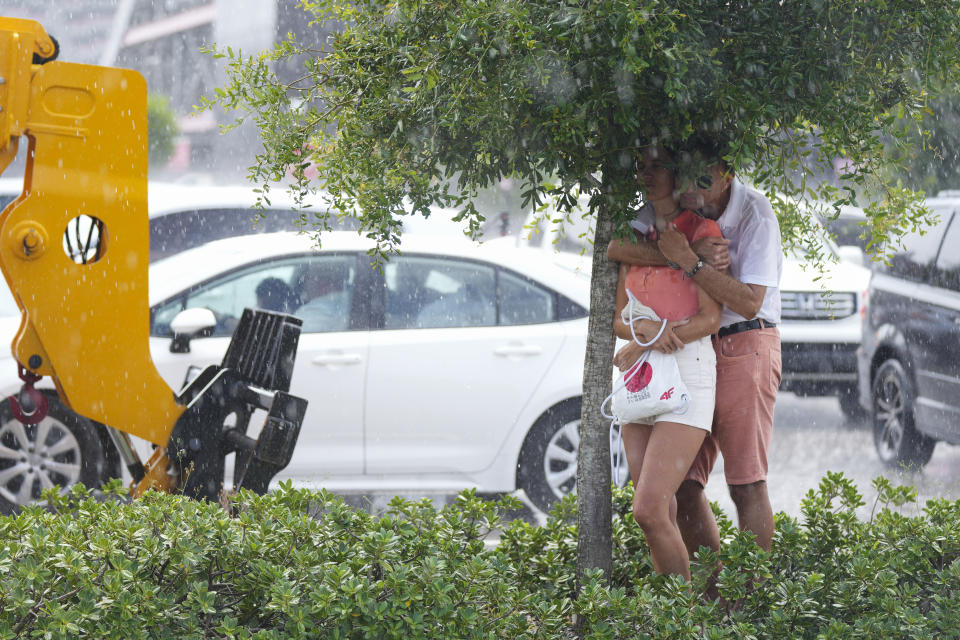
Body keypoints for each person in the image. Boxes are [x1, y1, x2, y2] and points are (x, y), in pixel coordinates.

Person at [608, 139, 783, 558]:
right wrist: (677, 257)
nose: (692, 187)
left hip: (745, 340)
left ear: (728, 174)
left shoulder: (756, 214)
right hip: (690, 350)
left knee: (746, 481)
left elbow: (747, 301)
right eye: (686, 174)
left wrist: (693, 263)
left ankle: (752, 603)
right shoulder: (672, 214)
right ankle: (711, 598)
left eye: (703, 177)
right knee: (684, 485)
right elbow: (618, 248)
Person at [612, 146, 723, 580]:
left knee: (648, 508)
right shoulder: (633, 233)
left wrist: (649, 339)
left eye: (657, 165)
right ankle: (669, 617)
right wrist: (641, 338)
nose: (647, 172)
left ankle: (687, 616)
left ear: (679, 171)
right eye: (640, 165)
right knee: (660, 511)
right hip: (642, 374)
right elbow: (619, 317)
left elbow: (710, 319)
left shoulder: (702, 230)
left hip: (688, 369)